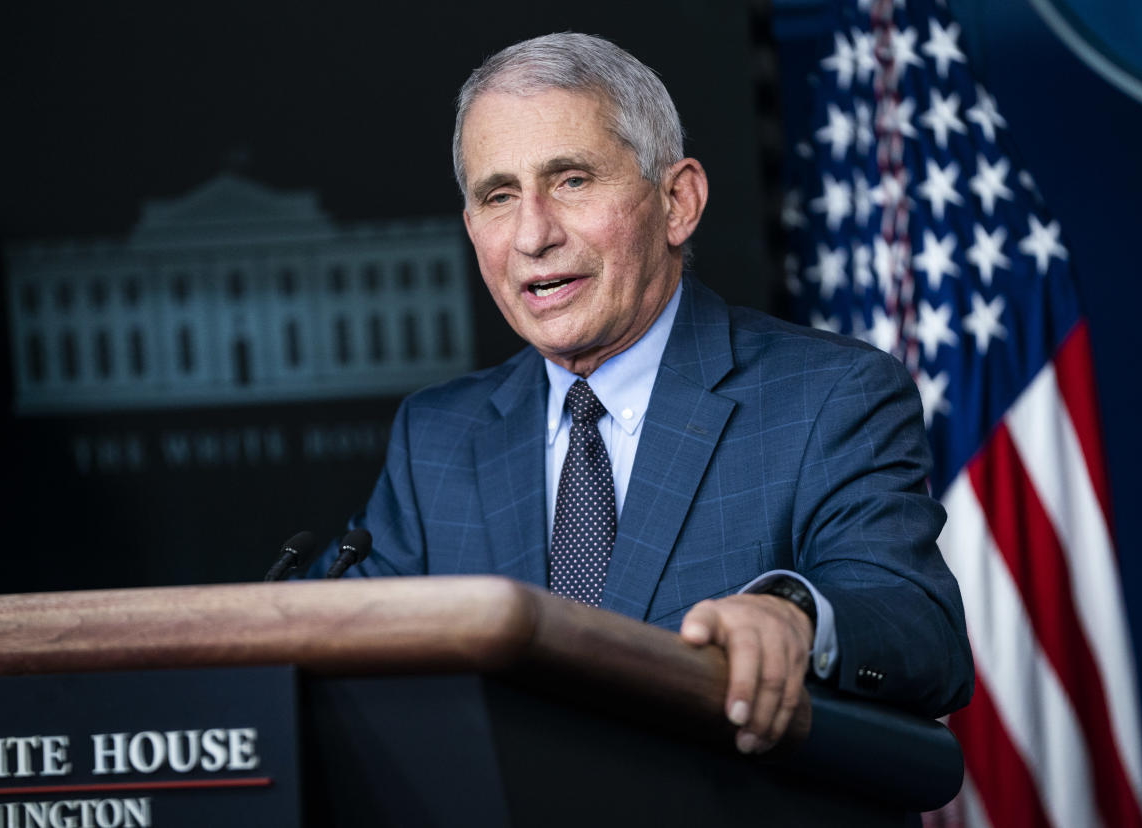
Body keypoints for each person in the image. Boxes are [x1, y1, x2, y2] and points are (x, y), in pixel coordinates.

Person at [315, 32, 973, 754]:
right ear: (473, 229)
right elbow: (325, 636)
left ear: (678, 200)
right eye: (499, 196)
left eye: (571, 180)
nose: (533, 234)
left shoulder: (828, 395)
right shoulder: (437, 436)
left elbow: (918, 627)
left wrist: (794, 618)